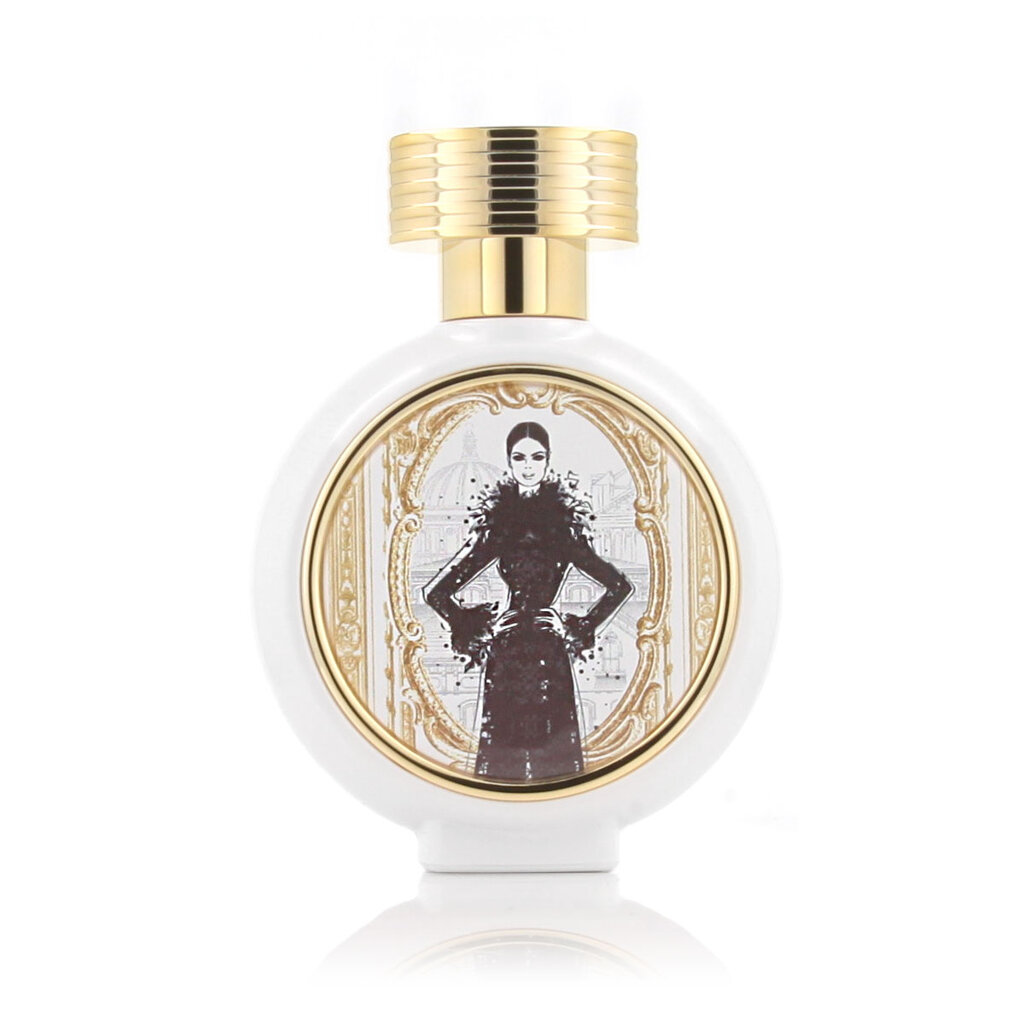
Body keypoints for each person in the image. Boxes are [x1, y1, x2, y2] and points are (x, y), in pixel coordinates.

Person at [423, 421, 633, 781]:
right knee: (502, 758)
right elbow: (436, 592)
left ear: (548, 460)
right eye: (519, 457)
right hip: (507, 653)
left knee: (557, 759)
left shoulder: (563, 527)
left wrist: (575, 625)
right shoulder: (499, 525)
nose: (529, 465)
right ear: (509, 462)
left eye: (537, 457)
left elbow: (618, 586)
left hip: (550, 653)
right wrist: (479, 625)